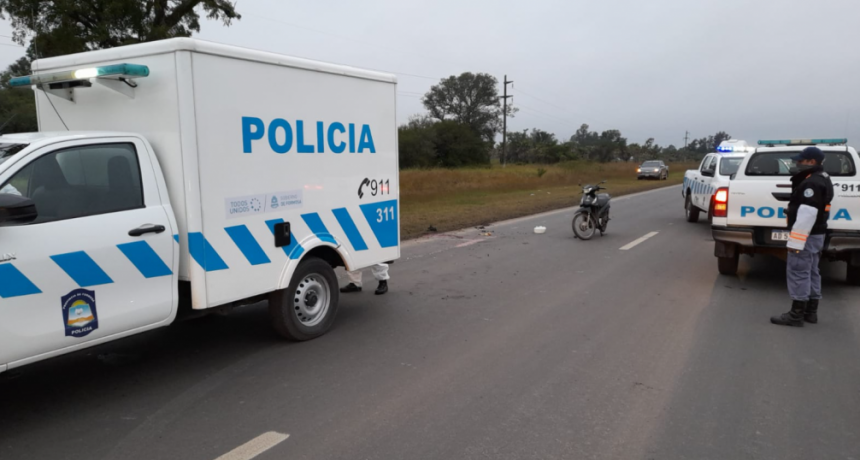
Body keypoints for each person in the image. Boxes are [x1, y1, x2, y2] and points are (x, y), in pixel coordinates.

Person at [771, 146, 833, 327]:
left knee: (798, 271)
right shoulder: (823, 178)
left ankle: (796, 315)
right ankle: (810, 312)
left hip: (807, 235)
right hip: (817, 234)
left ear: (811, 162)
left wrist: (796, 242)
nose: (797, 163)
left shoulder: (811, 183)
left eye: (800, 160)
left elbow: (808, 213)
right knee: (812, 271)